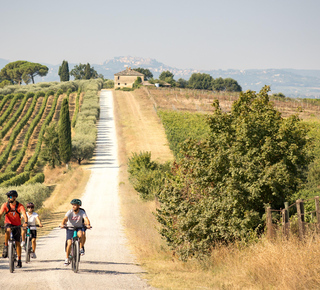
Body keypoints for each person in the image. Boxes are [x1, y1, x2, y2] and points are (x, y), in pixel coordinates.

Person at [0, 190, 28, 268]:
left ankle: (19, 260)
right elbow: (0, 213)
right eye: (8, 196)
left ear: (15, 197)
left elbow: (24, 215)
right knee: (8, 230)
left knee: (17, 243)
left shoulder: (20, 206)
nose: (9, 198)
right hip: (8, 223)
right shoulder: (5, 205)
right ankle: (6, 246)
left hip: (17, 224)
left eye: (11, 196)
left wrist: (25, 222)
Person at [60, 199, 91, 266]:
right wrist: (62, 224)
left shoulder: (82, 212)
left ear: (79, 206)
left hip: (78, 227)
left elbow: (86, 219)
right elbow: (65, 219)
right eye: (72, 205)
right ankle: (67, 258)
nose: (73, 206)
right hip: (70, 228)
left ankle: (80, 248)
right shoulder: (70, 212)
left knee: (81, 234)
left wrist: (88, 225)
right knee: (69, 243)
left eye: (75, 205)